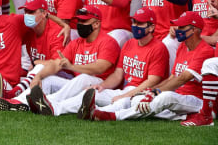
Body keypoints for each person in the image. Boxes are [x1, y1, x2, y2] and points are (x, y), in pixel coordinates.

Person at [78, 11, 214, 123]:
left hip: (197, 101)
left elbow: (182, 78)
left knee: (164, 98)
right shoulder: (183, 47)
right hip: (178, 96)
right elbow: (173, 77)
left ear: (195, 30)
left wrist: (156, 92)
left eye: (182, 27)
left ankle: (111, 115)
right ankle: (182, 115)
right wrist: (151, 91)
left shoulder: (205, 50)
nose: (177, 30)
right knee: (139, 99)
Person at [20, 5, 121, 115]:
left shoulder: (108, 42)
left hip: (102, 87)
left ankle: (50, 103)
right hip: (78, 86)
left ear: (96, 24)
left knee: (84, 78)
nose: (80, 24)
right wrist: (38, 76)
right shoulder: (76, 43)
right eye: (78, 21)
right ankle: (19, 102)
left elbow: (100, 68)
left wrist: (72, 67)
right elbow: (56, 64)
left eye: (84, 21)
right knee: (48, 80)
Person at [73, 8, 168, 118]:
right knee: (93, 93)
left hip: (143, 93)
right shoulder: (129, 44)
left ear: (151, 27)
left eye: (140, 23)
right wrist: (102, 86)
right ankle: (56, 107)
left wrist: (125, 95)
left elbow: (152, 82)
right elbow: (118, 75)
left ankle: (97, 113)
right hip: (125, 90)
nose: (135, 26)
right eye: (134, 22)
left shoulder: (159, 48)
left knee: (123, 102)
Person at [0, 0, 66, 110]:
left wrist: (36, 62)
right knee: (23, 75)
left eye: (31, 12)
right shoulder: (29, 30)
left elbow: (58, 64)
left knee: (39, 68)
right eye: (25, 11)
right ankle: (15, 98)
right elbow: (3, 22)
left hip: (61, 78)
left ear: (44, 13)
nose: (27, 15)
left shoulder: (56, 33)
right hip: (40, 77)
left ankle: (13, 95)